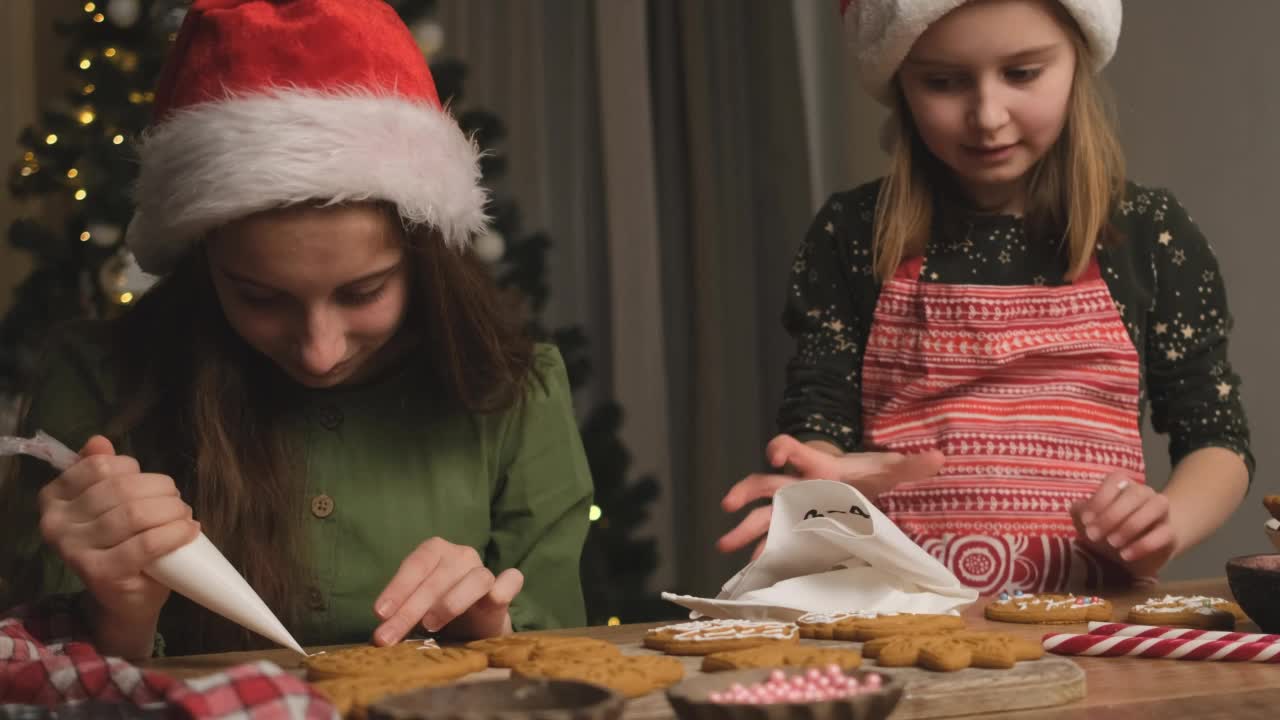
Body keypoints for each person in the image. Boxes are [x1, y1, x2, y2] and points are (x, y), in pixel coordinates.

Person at [0, 0, 592, 660]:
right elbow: (42, 678)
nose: (319, 350)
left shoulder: (516, 391)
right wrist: (120, 618)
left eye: (364, 292)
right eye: (259, 298)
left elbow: (565, 647)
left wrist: (493, 631)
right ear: (204, 264)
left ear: (426, 258)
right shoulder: (97, 383)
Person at [720, 0, 1252, 594]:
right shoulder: (853, 232)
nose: (988, 116)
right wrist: (819, 495)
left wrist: (1166, 523)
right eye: (944, 82)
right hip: (900, 616)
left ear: (1077, 59)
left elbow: (1216, 439)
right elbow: (819, 424)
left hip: (1097, 622)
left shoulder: (1149, 232)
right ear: (899, 81)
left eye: (1023, 73)